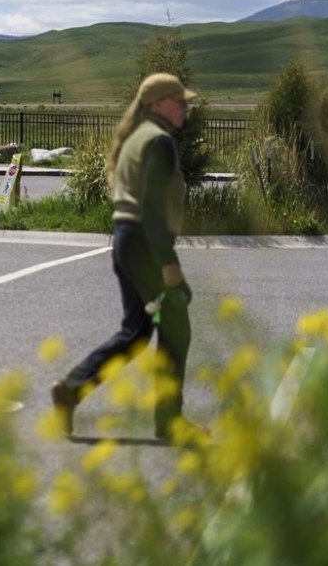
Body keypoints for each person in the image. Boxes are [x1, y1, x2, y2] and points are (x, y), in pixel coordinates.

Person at [50, 72, 208, 445]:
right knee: (175, 329)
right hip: (144, 243)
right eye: (177, 99)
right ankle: (169, 422)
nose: (184, 105)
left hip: (126, 241)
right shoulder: (159, 142)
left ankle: (71, 390)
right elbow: (152, 210)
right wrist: (169, 266)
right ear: (157, 104)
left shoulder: (137, 138)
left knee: (137, 331)